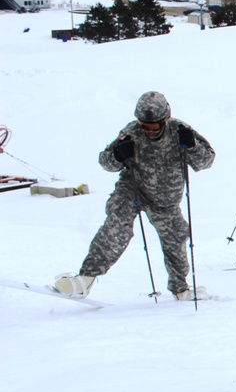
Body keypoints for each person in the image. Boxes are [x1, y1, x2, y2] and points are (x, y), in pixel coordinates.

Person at [54, 91, 216, 299]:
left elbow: (206, 162)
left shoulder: (180, 131)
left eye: (153, 126)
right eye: (143, 125)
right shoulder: (131, 132)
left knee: (175, 238)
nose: (148, 130)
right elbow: (105, 162)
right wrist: (118, 154)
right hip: (133, 189)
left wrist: (192, 146)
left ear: (165, 118)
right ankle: (86, 279)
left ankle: (180, 289)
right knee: (117, 222)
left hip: (166, 199)